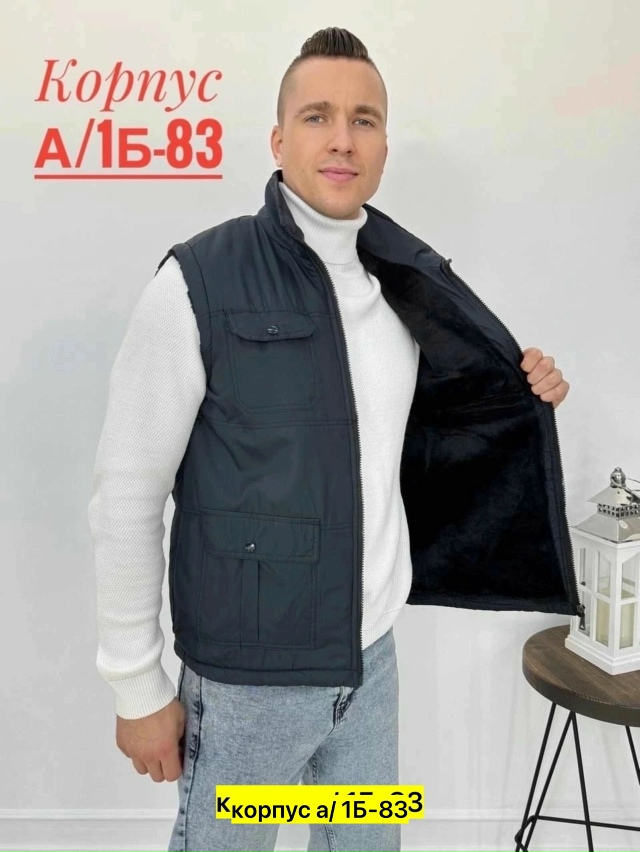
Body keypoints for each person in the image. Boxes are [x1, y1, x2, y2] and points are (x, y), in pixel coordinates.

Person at [88, 27, 573, 852]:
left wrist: (524, 391)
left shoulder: (410, 284)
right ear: (279, 140)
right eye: (317, 116)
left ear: (383, 145)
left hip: (370, 666)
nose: (342, 139)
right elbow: (126, 496)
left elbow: (427, 436)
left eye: (364, 120)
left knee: (367, 845)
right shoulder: (198, 281)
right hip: (248, 687)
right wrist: (137, 688)